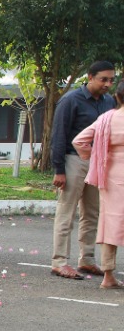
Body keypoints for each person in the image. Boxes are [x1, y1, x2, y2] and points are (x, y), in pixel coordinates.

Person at [49, 61, 114, 280]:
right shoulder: (71, 100)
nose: (107, 84)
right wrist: (59, 169)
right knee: (67, 211)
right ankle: (60, 261)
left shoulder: (108, 102)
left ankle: (87, 259)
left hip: (98, 162)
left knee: (92, 212)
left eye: (111, 80)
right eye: (103, 79)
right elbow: (58, 135)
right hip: (73, 160)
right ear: (90, 77)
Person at [73, 79, 124, 289]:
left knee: (110, 223)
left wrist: (97, 156)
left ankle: (108, 276)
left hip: (111, 174)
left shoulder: (106, 119)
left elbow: (79, 141)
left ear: (118, 97)